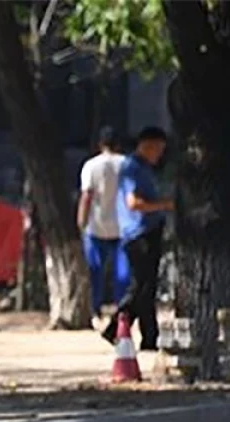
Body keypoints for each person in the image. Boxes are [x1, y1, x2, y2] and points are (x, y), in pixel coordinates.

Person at [102, 126, 174, 350]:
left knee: (146, 287)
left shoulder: (144, 168)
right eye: (158, 150)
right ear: (147, 145)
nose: (159, 155)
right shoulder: (133, 168)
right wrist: (165, 205)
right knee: (140, 286)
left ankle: (148, 336)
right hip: (139, 234)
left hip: (148, 232)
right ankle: (116, 327)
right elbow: (133, 203)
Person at [78, 126, 129, 317]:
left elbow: (87, 196)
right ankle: (122, 308)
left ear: (100, 144)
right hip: (122, 227)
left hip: (96, 226)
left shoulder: (91, 166)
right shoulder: (126, 164)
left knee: (95, 271)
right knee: (122, 272)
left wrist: (81, 221)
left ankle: (95, 309)